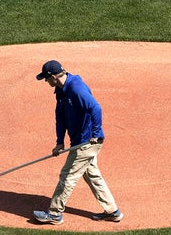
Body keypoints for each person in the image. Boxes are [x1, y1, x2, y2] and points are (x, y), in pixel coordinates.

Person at [32, 60, 123, 225]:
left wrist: (96, 133)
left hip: (87, 142)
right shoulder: (60, 90)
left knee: (68, 176)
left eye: (46, 79)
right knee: (93, 176)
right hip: (78, 141)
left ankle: (54, 214)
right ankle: (113, 211)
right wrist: (60, 142)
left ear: (53, 77)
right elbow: (60, 117)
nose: (46, 82)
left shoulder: (76, 88)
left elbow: (96, 108)